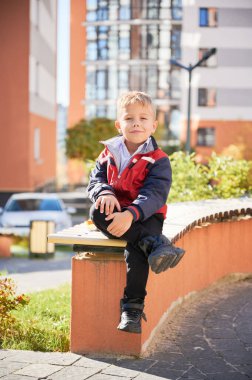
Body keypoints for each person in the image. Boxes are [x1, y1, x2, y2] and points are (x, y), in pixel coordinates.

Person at [87, 91, 185, 334]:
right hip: (115, 213)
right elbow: (95, 180)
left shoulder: (158, 159)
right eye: (129, 118)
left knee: (136, 252)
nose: (136, 123)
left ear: (153, 126)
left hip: (146, 216)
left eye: (143, 118)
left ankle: (132, 310)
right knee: (97, 210)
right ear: (119, 125)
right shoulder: (108, 154)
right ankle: (154, 244)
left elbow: (155, 194)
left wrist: (130, 214)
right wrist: (104, 193)